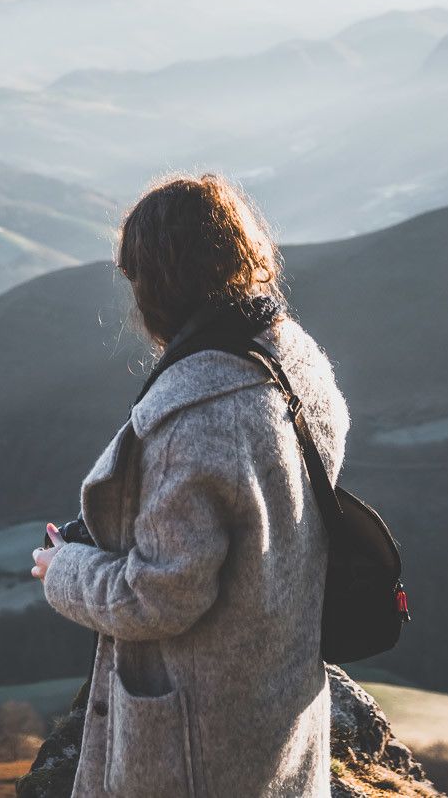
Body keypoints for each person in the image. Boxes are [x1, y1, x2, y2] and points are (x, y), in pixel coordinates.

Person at [30, 172, 350, 798]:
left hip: (198, 740)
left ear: (157, 284)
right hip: (281, 705)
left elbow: (157, 597)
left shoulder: (196, 418)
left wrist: (61, 567)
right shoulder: (297, 360)